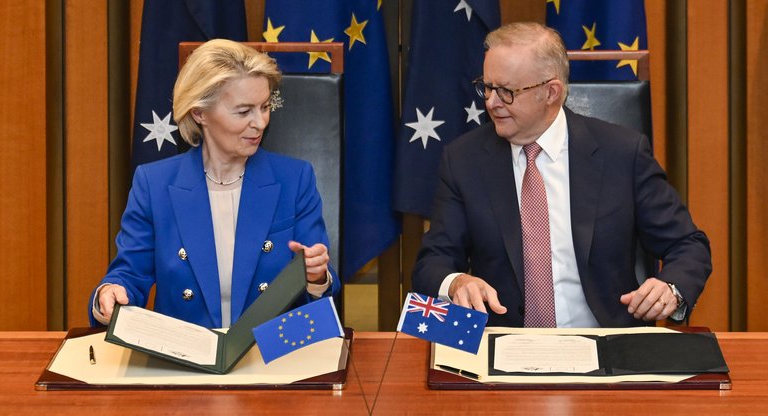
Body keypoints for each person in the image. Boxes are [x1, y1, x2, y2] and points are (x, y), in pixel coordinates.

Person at [412, 22, 711, 328]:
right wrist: (456, 282)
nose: (491, 102)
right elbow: (432, 263)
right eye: (487, 87)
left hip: (606, 348)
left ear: (551, 92)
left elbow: (688, 244)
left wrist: (671, 288)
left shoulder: (621, 153)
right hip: (502, 348)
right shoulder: (464, 159)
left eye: (506, 91)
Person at [89, 39, 340, 328]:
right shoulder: (154, 184)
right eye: (244, 111)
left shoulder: (295, 179)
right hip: (184, 358)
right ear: (200, 113)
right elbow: (129, 275)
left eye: (265, 106)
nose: (260, 122)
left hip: (271, 354)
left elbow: (321, 297)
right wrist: (110, 294)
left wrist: (317, 277)